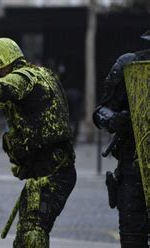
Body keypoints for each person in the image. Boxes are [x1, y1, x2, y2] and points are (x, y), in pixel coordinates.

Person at [0, 38, 76, 247]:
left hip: (51, 171)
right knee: (25, 237)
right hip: (46, 171)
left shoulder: (24, 77)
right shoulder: (41, 73)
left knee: (32, 234)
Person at [93, 30, 150, 248]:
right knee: (132, 239)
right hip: (133, 164)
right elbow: (100, 111)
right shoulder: (130, 64)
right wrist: (114, 120)